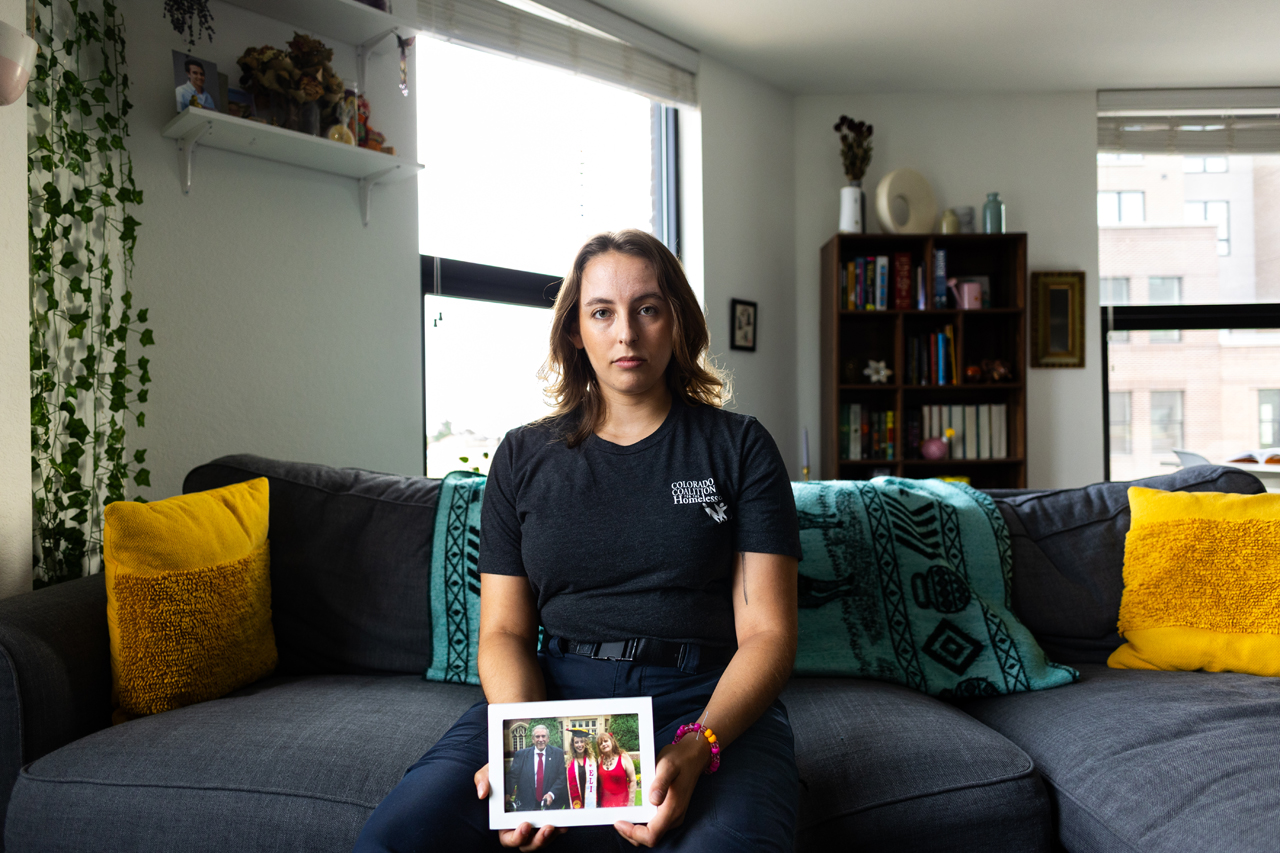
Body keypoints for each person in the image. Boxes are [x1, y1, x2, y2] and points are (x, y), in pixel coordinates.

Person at [352, 228, 801, 852]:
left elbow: (769, 635)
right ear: (574, 331)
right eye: (602, 312)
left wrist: (698, 746)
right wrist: (528, 748)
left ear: (676, 321)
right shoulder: (522, 456)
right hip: (552, 700)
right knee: (397, 839)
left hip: (702, 702)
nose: (626, 333)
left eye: (647, 308)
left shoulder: (739, 446)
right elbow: (504, 634)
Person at [506, 725, 567, 812]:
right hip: (525, 804)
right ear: (533, 739)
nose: (541, 740)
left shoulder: (558, 754)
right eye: (537, 737)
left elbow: (561, 778)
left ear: (548, 738)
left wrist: (551, 794)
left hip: (550, 805)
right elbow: (512, 776)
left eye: (543, 736)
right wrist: (507, 793)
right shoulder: (521, 755)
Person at [594, 732, 636, 809]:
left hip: (622, 804)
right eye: (601, 743)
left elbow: (633, 780)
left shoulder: (624, 757)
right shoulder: (600, 760)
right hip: (604, 806)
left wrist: (631, 803)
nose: (603, 744)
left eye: (606, 741)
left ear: (612, 741)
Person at [563, 729, 597, 809]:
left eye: (582, 741)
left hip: (590, 800)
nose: (579, 745)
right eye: (576, 742)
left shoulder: (593, 761)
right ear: (573, 745)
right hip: (573, 801)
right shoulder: (568, 762)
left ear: (586, 743)